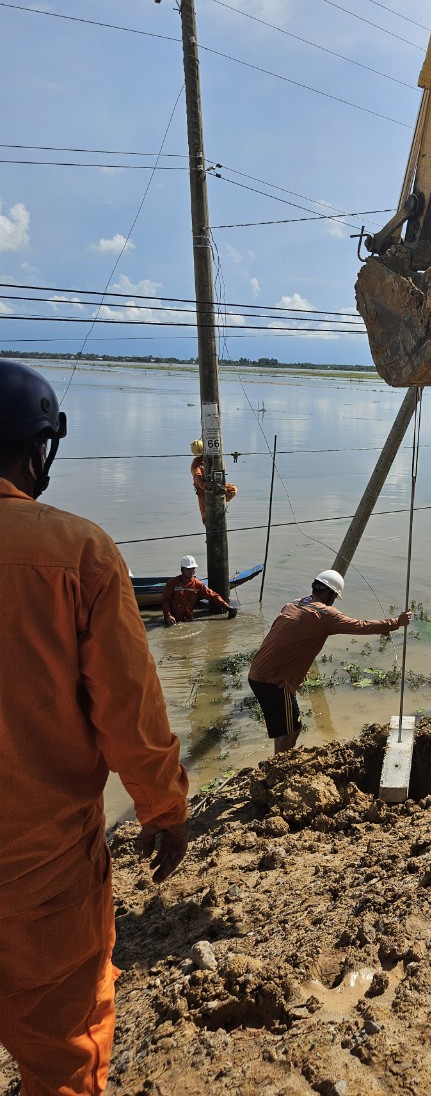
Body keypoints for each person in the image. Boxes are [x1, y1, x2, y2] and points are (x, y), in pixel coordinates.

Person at [0, 359, 189, 1094]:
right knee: (66, 1064)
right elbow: (130, 713)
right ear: (39, 449)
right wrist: (165, 809)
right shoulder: (76, 552)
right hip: (40, 877)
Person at [248, 569, 413, 754]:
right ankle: (278, 768)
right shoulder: (324, 614)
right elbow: (359, 626)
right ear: (328, 594)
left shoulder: (293, 603)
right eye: (334, 597)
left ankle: (276, 762)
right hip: (274, 681)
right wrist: (395, 622)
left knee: (284, 727)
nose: (333, 601)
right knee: (292, 729)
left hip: (257, 674)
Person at [162, 554, 237, 625]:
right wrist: (168, 616)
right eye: (188, 569)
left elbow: (213, 596)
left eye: (193, 569)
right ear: (182, 569)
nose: (191, 571)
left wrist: (227, 607)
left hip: (188, 620)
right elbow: (165, 600)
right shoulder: (172, 583)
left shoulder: (198, 584)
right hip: (171, 621)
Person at [190, 438, 237, 525]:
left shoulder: (212, 457)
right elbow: (197, 476)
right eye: (200, 455)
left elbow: (222, 466)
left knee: (233, 489)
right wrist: (205, 485)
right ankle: (210, 532)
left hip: (217, 485)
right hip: (203, 491)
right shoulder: (195, 464)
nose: (202, 456)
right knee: (206, 517)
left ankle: (222, 495)